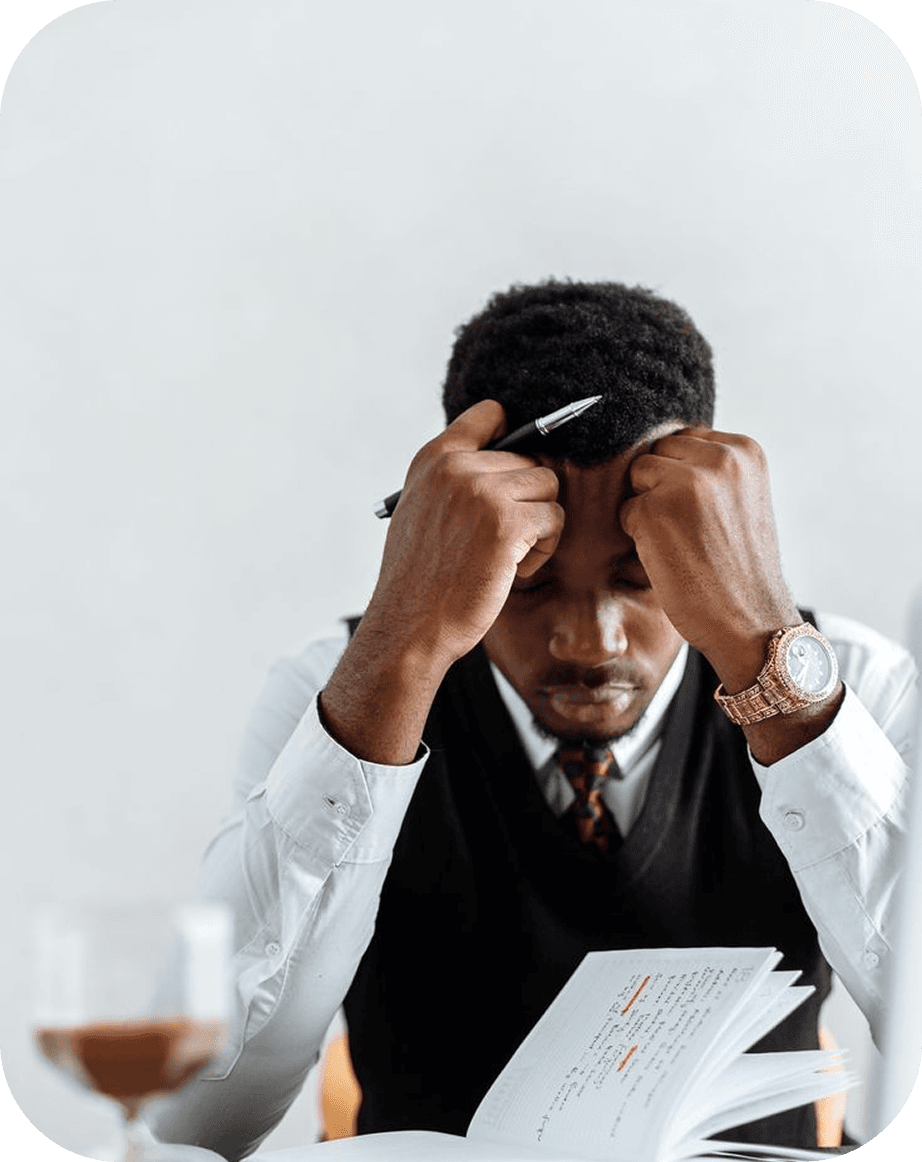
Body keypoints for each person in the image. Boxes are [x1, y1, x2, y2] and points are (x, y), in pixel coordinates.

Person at [150, 281, 916, 1160]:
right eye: (528, 579)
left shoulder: (853, 686)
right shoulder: (333, 694)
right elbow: (198, 1119)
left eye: (641, 577)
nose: (589, 641)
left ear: (712, 532)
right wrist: (399, 650)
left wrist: (772, 662)